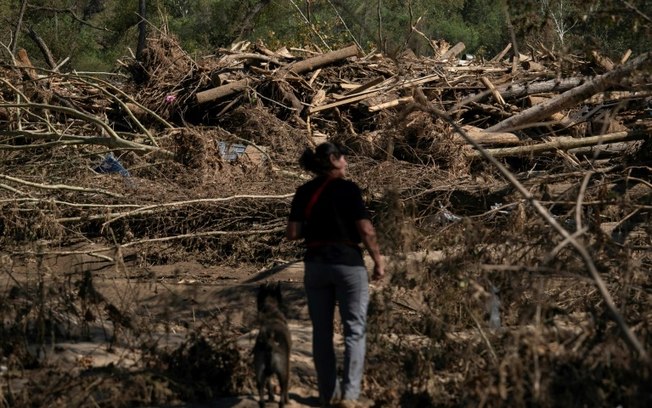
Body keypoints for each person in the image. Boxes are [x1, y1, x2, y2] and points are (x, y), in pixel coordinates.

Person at [286, 142, 385, 408]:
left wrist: (316, 227)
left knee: (321, 332)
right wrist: (377, 260)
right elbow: (365, 229)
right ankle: (350, 396)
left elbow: (293, 233)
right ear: (333, 159)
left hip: (315, 265)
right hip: (348, 264)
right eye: (344, 157)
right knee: (354, 330)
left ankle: (326, 395)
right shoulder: (349, 189)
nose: (347, 162)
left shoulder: (304, 191)